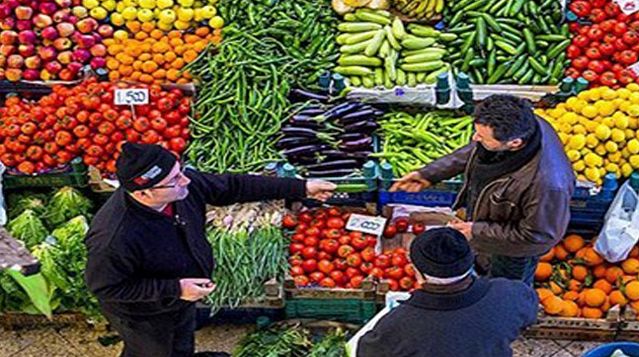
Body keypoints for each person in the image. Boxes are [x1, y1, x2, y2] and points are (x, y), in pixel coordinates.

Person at [85, 143, 336, 357]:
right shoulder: (113, 236)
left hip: (181, 296)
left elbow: (232, 186)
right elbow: (106, 287)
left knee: (181, 341)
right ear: (144, 192)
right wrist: (175, 289)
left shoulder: (181, 189)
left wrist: (300, 188)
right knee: (154, 350)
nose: (186, 180)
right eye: (174, 180)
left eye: (180, 171)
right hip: (145, 312)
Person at [391, 94, 574, 286]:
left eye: (482, 136)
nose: (474, 138)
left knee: (505, 287)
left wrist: (477, 231)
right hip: (491, 224)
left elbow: (538, 237)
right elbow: (477, 150)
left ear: (515, 143)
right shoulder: (524, 124)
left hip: (513, 251)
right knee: (484, 268)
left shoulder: (548, 185)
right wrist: (430, 174)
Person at [356, 228, 538, 357]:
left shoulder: (397, 325)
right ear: (470, 260)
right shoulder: (512, 294)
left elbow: (366, 351)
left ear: (417, 271)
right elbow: (529, 316)